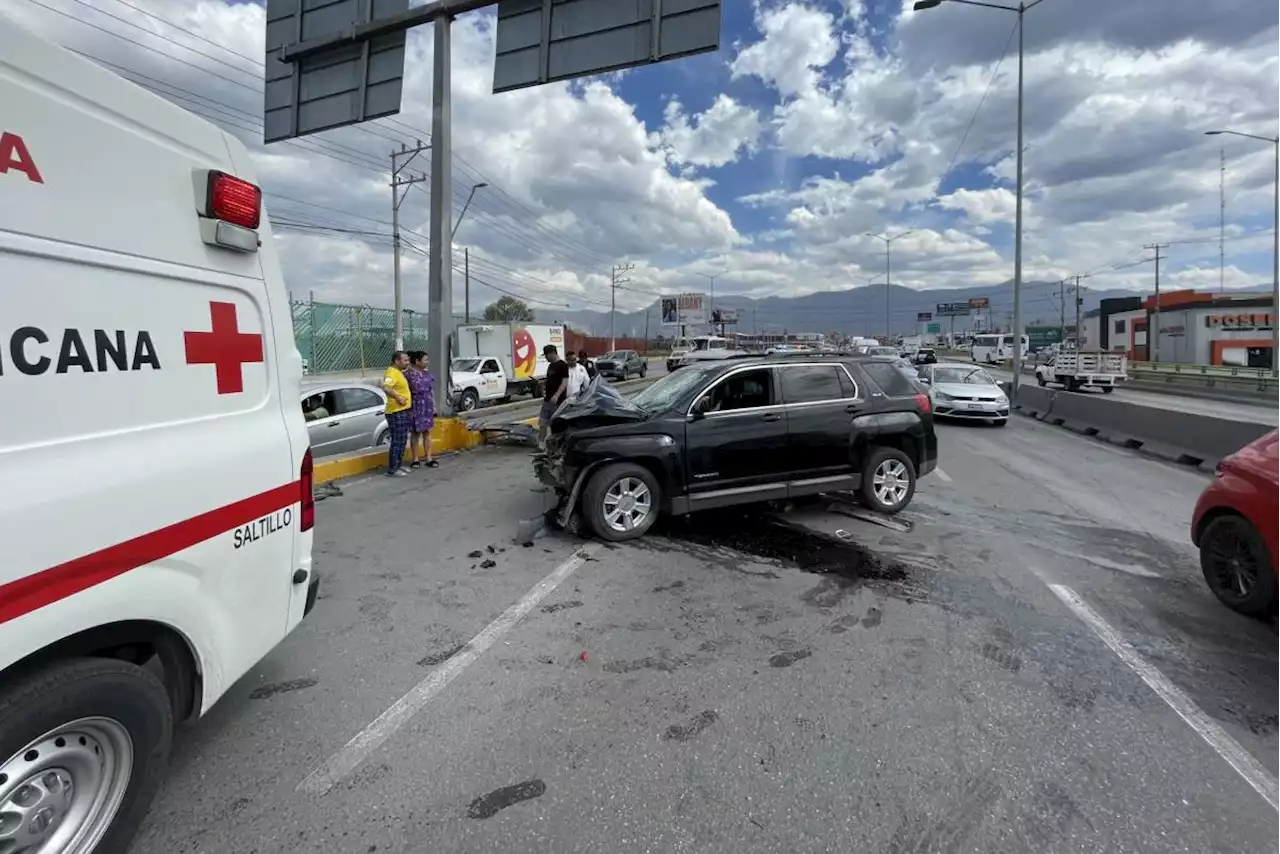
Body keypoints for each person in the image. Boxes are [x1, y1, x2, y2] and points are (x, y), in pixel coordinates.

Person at [405, 351, 437, 470]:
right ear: (417, 361)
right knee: (415, 433)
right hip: (415, 405)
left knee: (427, 432)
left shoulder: (426, 374)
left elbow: (431, 390)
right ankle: (415, 459)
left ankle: (429, 457)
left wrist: (434, 406)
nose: (427, 362)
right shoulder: (407, 375)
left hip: (427, 405)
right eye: (425, 360)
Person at [382, 350, 412, 476]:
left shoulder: (399, 373)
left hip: (403, 411)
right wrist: (398, 397)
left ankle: (399, 465)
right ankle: (393, 468)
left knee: (403, 439)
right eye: (405, 360)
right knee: (397, 440)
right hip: (396, 412)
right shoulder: (392, 372)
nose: (407, 363)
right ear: (396, 361)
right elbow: (386, 387)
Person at [538, 344, 568, 447]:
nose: (545, 358)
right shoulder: (550, 366)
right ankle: (541, 445)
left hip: (557, 401)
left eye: (546, 355)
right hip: (547, 400)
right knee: (542, 423)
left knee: (555, 425)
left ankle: (557, 445)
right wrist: (543, 382)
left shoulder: (563, 365)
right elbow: (551, 379)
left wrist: (556, 395)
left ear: (552, 353)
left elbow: (564, 382)